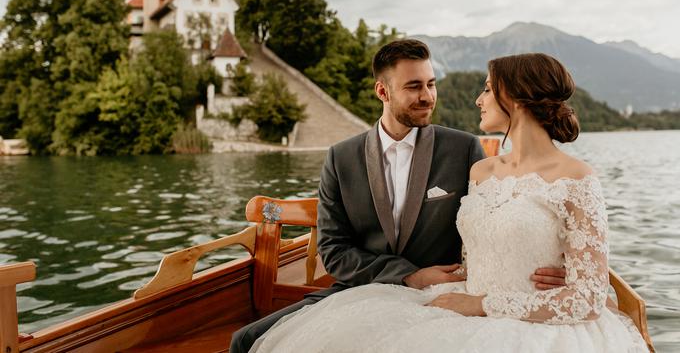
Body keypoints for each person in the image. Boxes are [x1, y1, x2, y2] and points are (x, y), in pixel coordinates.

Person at [248, 52, 648, 352]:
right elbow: (478, 248)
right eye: (414, 86)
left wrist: (565, 275)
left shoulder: (576, 178)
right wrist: (429, 283)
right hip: (439, 295)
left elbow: (586, 295)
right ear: (382, 92)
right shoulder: (482, 173)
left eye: (488, 89)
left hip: (525, 321)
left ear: (517, 98)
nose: (477, 99)